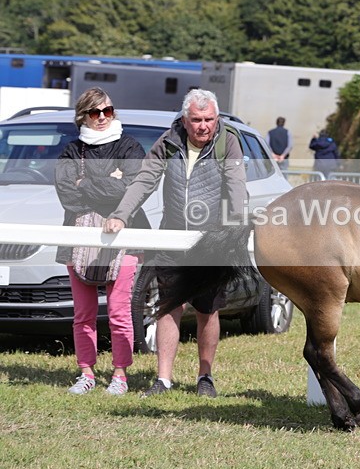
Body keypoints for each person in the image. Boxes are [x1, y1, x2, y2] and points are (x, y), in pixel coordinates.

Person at [104, 89, 247, 398]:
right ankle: (163, 379)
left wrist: (235, 222)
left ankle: (205, 377)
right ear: (185, 119)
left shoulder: (228, 142)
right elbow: (145, 180)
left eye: (209, 119)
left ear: (216, 118)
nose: (203, 126)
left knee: (208, 309)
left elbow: (236, 185)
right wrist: (121, 214)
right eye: (196, 120)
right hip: (171, 237)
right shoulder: (169, 141)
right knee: (169, 306)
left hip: (211, 240)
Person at [55, 87, 149, 395]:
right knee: (83, 314)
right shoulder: (71, 151)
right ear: (83, 116)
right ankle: (86, 372)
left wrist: (85, 183)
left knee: (119, 312)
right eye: (95, 112)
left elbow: (133, 190)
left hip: (126, 236)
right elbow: (68, 197)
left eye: (107, 111)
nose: (102, 117)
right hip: (77, 238)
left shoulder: (129, 146)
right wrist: (111, 183)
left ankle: (120, 374)